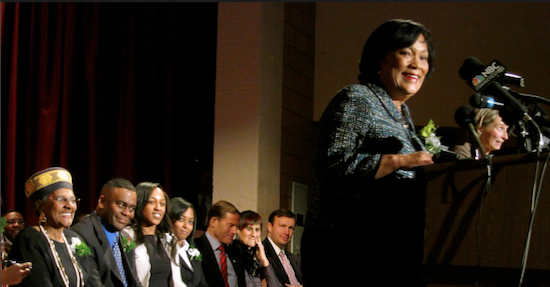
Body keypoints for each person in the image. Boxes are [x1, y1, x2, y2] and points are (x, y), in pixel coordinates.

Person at [302, 19, 435, 286]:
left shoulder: (402, 115)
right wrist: (398, 161)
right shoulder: (357, 98)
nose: (417, 64)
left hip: (388, 251)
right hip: (345, 250)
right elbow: (330, 167)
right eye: (406, 52)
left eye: (424, 57)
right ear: (380, 57)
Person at [8, 167, 101, 287]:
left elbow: (92, 281)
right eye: (61, 200)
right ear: (41, 206)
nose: (69, 206)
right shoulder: (29, 239)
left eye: (73, 200)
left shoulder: (74, 239)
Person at [71, 177, 142, 287]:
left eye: (132, 208)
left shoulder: (126, 237)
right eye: (121, 205)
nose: (127, 213)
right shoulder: (81, 236)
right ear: (102, 202)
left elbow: (134, 281)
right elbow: (93, 284)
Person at [125, 182, 176, 287]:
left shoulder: (167, 239)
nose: (158, 208)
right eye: (152, 202)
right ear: (140, 204)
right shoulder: (126, 236)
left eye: (162, 204)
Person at [195, 200, 245, 287]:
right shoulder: (195, 248)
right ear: (213, 221)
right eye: (230, 225)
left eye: (236, 226)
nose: (234, 231)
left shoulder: (235, 251)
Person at [167, 197, 208, 287]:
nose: (186, 226)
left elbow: (202, 282)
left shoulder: (192, 249)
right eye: (181, 219)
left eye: (190, 222)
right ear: (170, 219)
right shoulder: (164, 248)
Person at [234, 210, 279, 287]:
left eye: (257, 229)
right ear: (238, 229)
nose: (254, 234)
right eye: (249, 229)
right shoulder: (231, 254)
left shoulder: (256, 257)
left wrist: (264, 260)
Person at [263, 209, 302, 287]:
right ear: (269, 227)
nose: (287, 232)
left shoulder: (294, 258)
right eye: (282, 226)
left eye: (290, 228)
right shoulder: (260, 254)